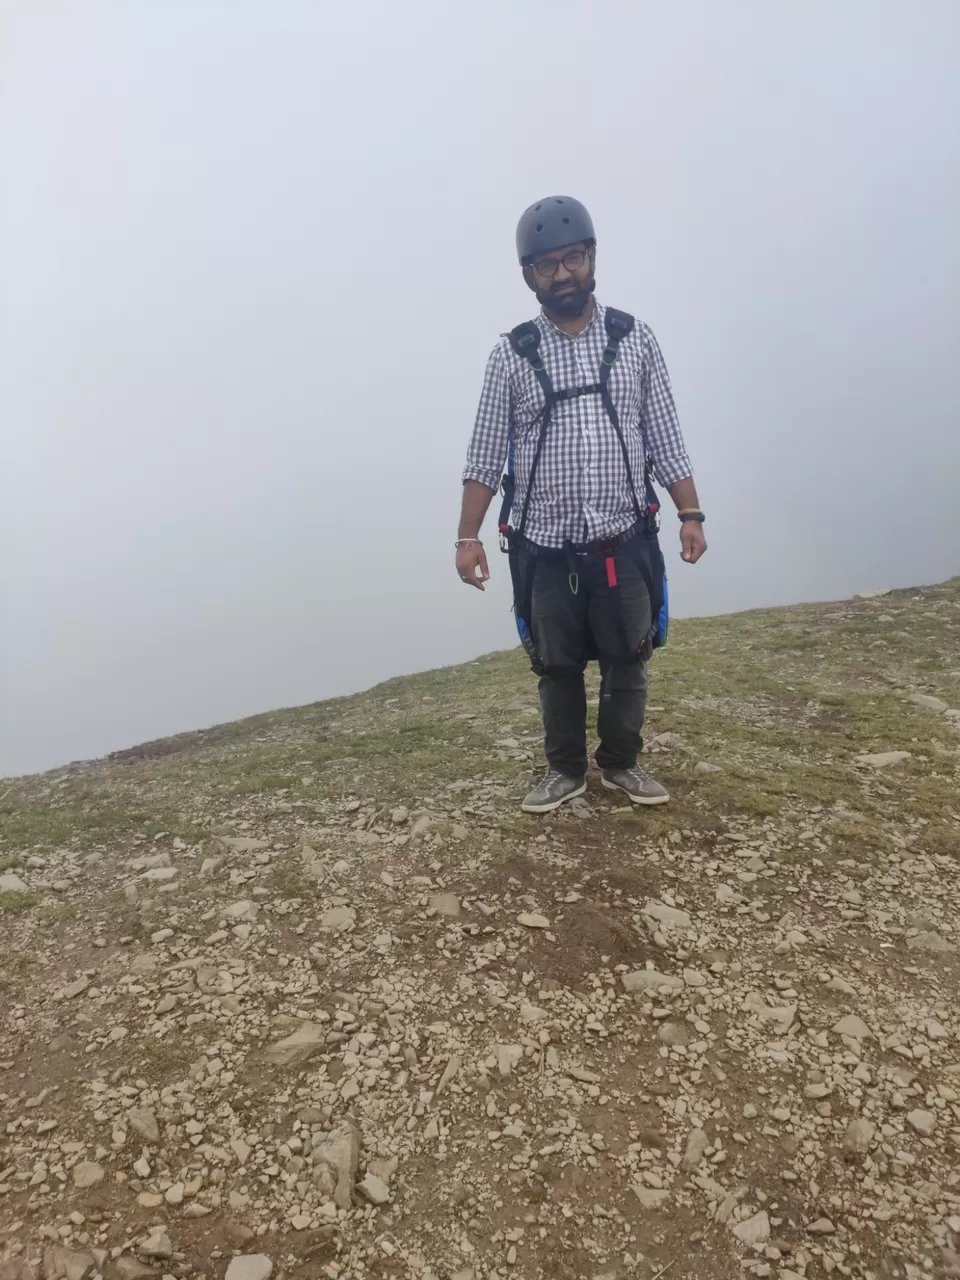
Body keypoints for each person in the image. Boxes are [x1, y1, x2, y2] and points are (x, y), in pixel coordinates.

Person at [456, 195, 707, 814]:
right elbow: (485, 457)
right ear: (529, 276)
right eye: (547, 266)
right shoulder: (510, 356)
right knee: (556, 665)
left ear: (591, 257)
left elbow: (666, 436)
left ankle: (622, 762)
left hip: (624, 539)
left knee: (630, 657)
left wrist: (690, 514)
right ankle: (564, 771)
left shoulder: (635, 340)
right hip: (543, 547)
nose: (562, 274)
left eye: (572, 258)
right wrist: (468, 538)